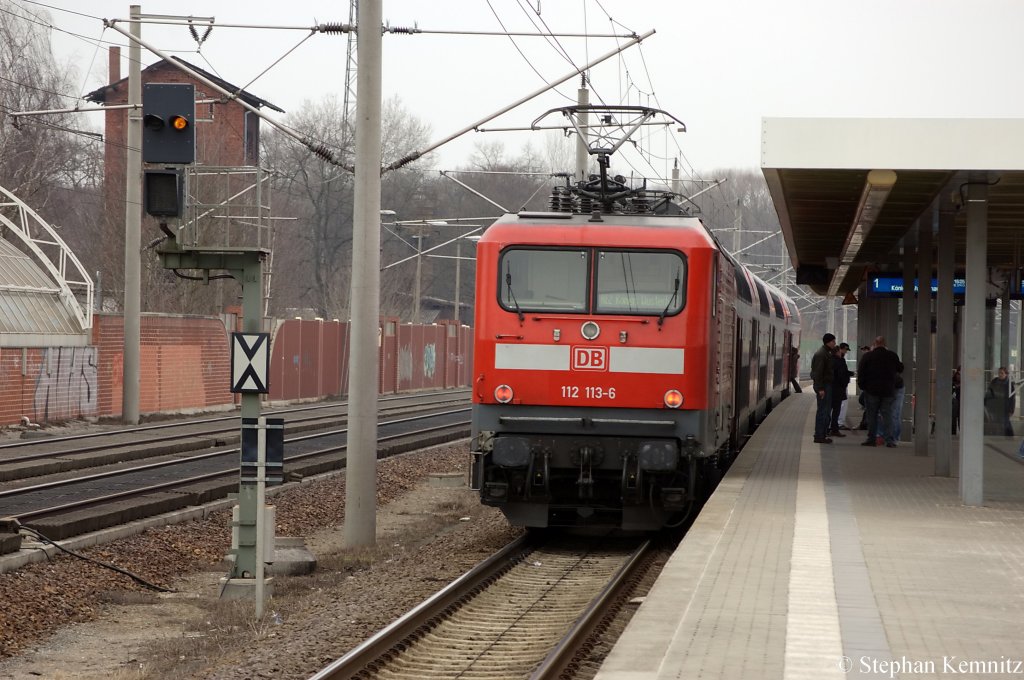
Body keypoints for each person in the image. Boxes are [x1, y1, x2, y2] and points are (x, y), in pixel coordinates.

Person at [857, 336, 903, 448]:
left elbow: (861, 372)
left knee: (872, 416)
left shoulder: (868, 356)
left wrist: (863, 387)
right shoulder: (892, 355)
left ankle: (871, 439)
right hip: (887, 390)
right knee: (887, 415)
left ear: (875, 343)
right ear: (884, 344)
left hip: (871, 390)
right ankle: (889, 440)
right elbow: (900, 368)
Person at [810, 333, 837, 443]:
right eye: (833, 342)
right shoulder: (822, 354)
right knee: (823, 411)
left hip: (826, 385)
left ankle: (821, 434)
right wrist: (820, 388)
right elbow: (818, 372)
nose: (835, 344)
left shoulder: (826, 353)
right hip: (824, 386)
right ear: (828, 342)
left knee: (824, 410)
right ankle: (819, 435)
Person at [829, 342, 853, 437]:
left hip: (832, 388)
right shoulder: (840, 361)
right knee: (836, 409)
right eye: (844, 350)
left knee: (830, 409)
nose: (845, 352)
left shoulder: (830, 360)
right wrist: (846, 381)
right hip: (838, 389)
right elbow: (841, 375)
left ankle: (828, 428)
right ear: (838, 351)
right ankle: (834, 429)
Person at [985, 366, 1015, 436]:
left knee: (1005, 422)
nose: (1000, 375)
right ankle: (997, 435)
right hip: (995, 407)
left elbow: (1012, 398)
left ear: (1006, 374)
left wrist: (1011, 410)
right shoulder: (994, 382)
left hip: (1005, 408)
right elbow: (989, 393)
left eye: (1002, 373)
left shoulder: (1009, 384)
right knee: (995, 422)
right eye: (999, 373)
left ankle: (1009, 436)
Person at [952, 366, 961, 435]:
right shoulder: (953, 380)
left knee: (961, 417)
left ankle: (961, 431)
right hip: (955, 401)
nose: (959, 376)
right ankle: (953, 432)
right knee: (953, 418)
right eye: (959, 374)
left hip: (961, 401)